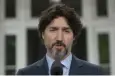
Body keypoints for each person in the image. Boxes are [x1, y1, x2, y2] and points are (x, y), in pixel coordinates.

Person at [16, 3, 105, 75]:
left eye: (66, 31)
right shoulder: (25, 74)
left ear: (74, 36)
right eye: (53, 30)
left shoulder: (95, 73)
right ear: (43, 34)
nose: (59, 38)